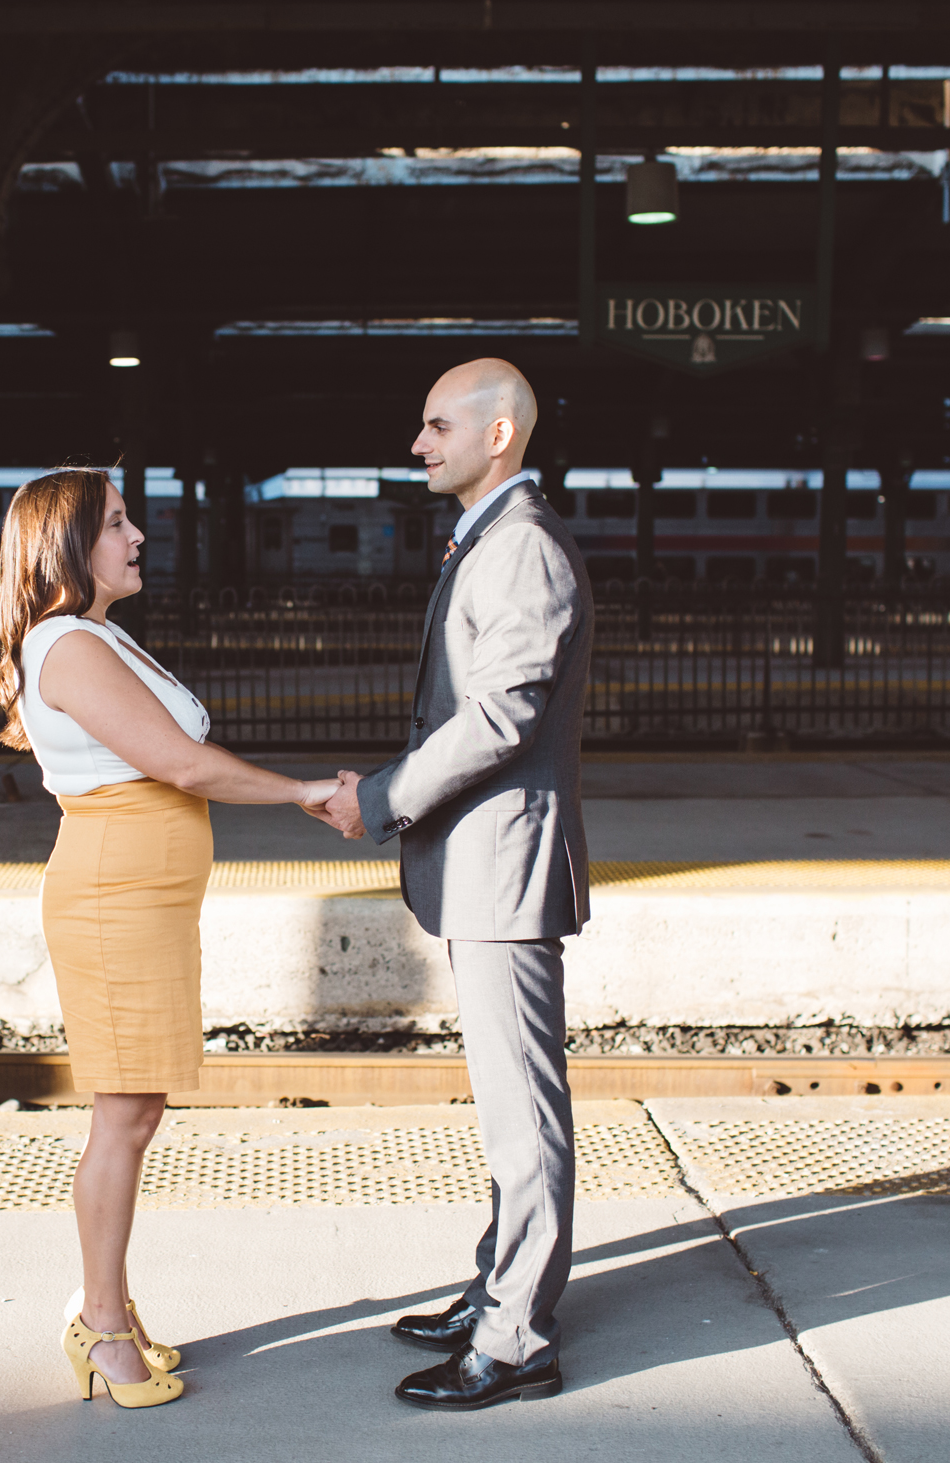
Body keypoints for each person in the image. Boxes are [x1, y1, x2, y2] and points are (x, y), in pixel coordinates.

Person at [0, 467, 341, 1410]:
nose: (137, 534)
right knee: (124, 1115)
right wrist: (304, 791)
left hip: (141, 895)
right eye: (114, 522)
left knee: (134, 1111)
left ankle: (111, 1306)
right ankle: (100, 1327)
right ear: (67, 545)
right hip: (114, 898)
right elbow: (180, 762)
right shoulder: (67, 644)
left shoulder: (99, 635)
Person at [316, 359, 593, 1411]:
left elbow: (499, 717)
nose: (417, 444)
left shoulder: (520, 548)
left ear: (499, 433)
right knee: (506, 1104)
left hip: (504, 867)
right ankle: (498, 1286)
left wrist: (381, 795)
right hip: (483, 862)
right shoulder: (494, 537)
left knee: (522, 1113)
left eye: (436, 425)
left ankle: (517, 1335)